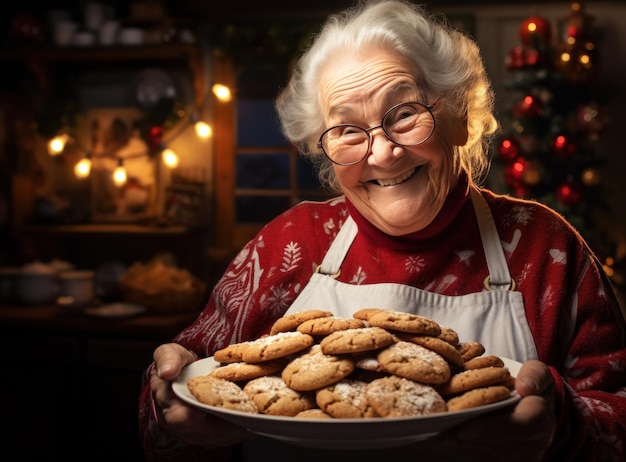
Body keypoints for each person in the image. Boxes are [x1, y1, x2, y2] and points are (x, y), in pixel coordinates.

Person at [138, 1, 626, 460]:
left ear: (460, 116)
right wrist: (172, 412)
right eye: (348, 130)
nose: (383, 153)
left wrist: (560, 426)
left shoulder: (545, 248)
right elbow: (174, 397)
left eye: (406, 113)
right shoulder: (287, 243)